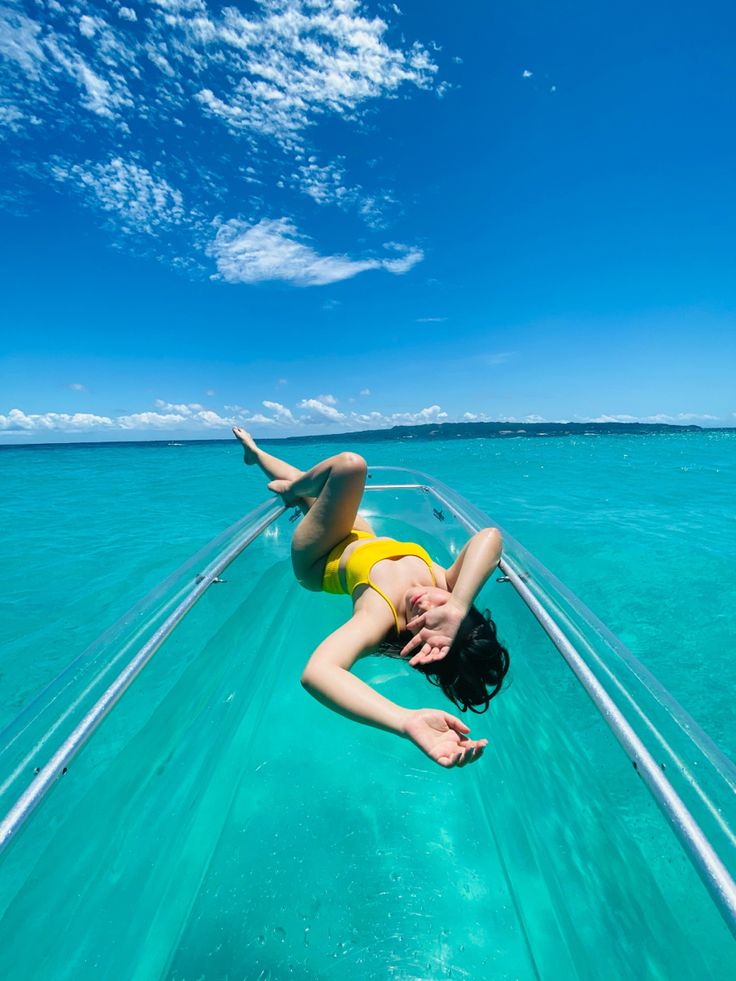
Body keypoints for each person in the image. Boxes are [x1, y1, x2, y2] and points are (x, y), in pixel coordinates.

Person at [233, 427, 509, 769]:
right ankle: (256, 455)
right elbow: (490, 537)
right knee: (311, 488)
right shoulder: (450, 587)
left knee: (347, 468)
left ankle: (291, 489)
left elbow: (317, 673)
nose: (424, 606)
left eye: (421, 623)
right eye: (440, 608)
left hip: (320, 558)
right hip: (361, 537)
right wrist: (456, 604)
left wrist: (404, 721)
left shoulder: (381, 616)